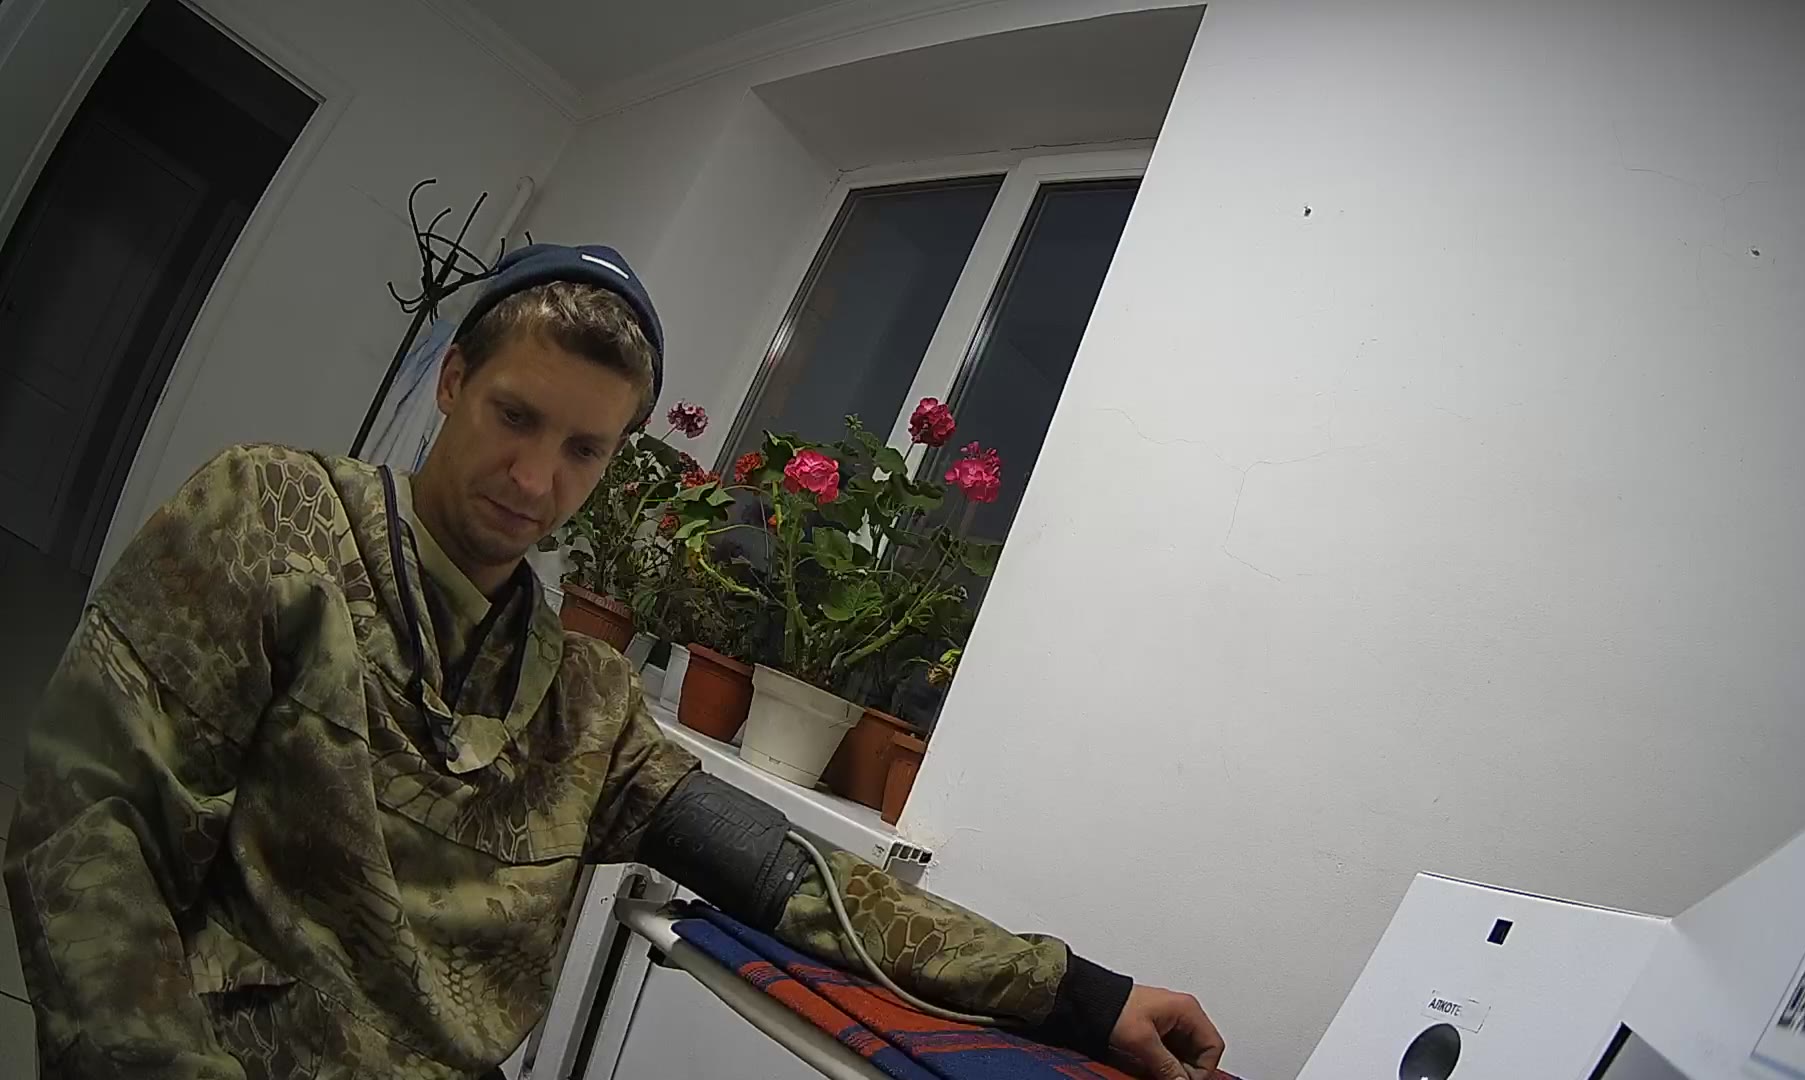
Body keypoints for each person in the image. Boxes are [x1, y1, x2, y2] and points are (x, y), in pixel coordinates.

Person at [4, 243, 1225, 1080]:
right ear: (454, 381)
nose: (537, 480)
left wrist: (1087, 996)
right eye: (515, 417)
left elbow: (801, 881)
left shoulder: (582, 704)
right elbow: (88, 824)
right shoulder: (276, 521)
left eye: (585, 450)